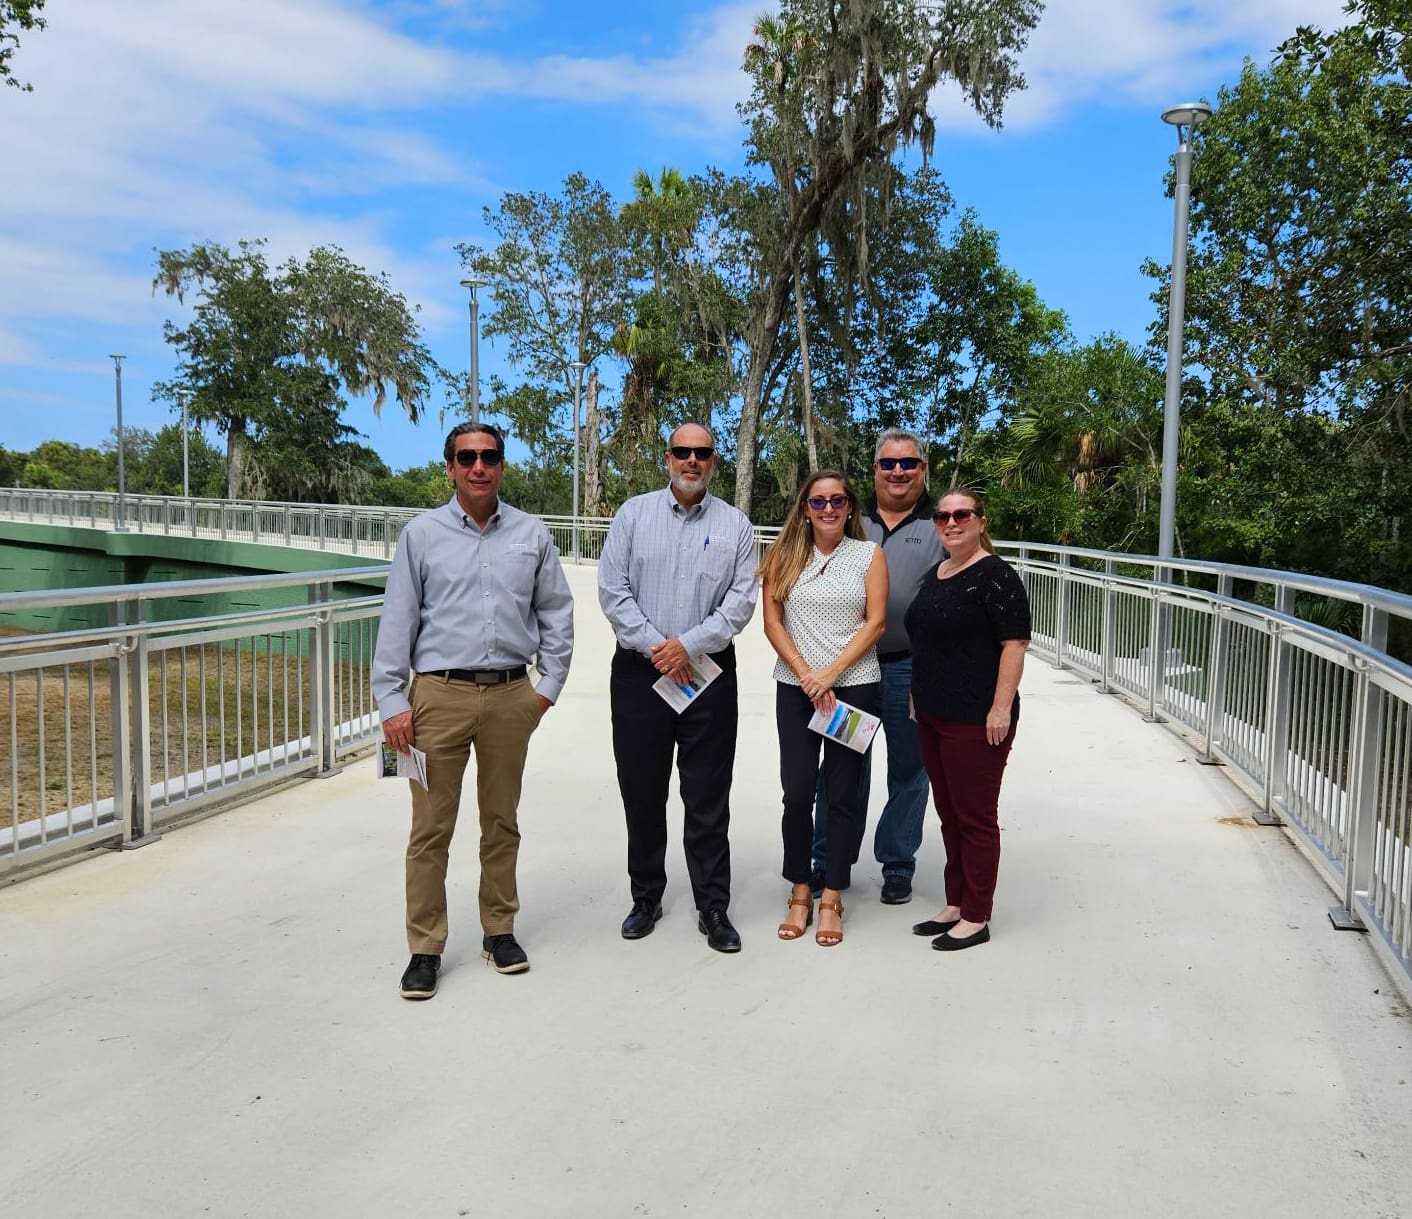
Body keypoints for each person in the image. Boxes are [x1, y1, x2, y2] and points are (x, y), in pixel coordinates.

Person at [372, 422, 574, 1000]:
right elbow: (398, 620)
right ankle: (425, 947)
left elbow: (556, 612)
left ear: (501, 466)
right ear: (450, 468)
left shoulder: (531, 533)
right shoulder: (421, 535)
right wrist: (392, 700)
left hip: (511, 695)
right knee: (430, 829)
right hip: (438, 697)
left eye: (489, 457)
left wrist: (546, 688)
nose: (478, 467)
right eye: (467, 458)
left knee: (501, 820)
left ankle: (499, 930)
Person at [597, 423, 759, 953]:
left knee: (707, 795)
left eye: (702, 452)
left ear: (714, 461)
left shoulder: (736, 526)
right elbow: (613, 592)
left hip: (708, 675)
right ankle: (645, 897)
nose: (692, 460)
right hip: (640, 675)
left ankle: (713, 905)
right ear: (667, 458)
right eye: (682, 451)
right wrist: (659, 649)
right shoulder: (632, 515)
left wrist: (686, 647)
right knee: (642, 791)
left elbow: (740, 602)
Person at [811, 428, 944, 905]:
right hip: (853, 671)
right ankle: (829, 859)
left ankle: (897, 862)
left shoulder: (941, 522)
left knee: (910, 769)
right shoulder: (851, 517)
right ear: (875, 470)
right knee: (842, 766)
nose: (898, 471)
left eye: (908, 463)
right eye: (888, 463)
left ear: (923, 469)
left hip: (912, 669)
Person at [761, 471, 887, 947]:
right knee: (796, 792)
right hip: (796, 689)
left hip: (854, 689)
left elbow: (875, 623)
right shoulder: (784, 555)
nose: (828, 508)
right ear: (805, 508)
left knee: (842, 793)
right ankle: (800, 889)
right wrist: (805, 673)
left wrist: (830, 674)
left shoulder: (869, 555)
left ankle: (832, 894)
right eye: (818, 501)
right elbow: (772, 622)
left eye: (837, 500)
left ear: (850, 506)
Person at [905, 487, 1030, 952]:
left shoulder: (997, 576)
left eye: (962, 515)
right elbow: (929, 640)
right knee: (949, 814)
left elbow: (1014, 644)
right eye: (943, 517)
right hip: (933, 713)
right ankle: (956, 902)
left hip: (977, 718)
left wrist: (1000, 707)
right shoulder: (937, 572)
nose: (952, 523)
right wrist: (917, 694)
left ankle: (977, 915)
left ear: (981, 521)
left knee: (975, 817)